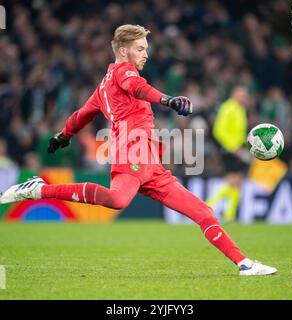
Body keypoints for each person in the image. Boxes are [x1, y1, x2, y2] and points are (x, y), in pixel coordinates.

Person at [0, 25, 276, 276]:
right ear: (123, 51)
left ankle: (244, 263)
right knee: (118, 200)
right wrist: (167, 100)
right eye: (140, 49)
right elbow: (138, 87)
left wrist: (63, 135)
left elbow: (81, 115)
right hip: (131, 151)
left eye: (146, 48)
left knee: (203, 212)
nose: (146, 54)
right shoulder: (124, 71)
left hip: (151, 164)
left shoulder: (103, 87)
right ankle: (39, 189)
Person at [206, 86, 251, 222]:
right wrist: (233, 148)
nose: (243, 98)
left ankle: (229, 216)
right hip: (229, 149)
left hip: (238, 149)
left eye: (245, 96)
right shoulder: (228, 108)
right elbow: (219, 131)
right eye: (241, 95)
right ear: (234, 94)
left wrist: (245, 146)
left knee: (237, 182)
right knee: (233, 180)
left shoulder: (240, 109)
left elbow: (239, 132)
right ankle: (207, 206)